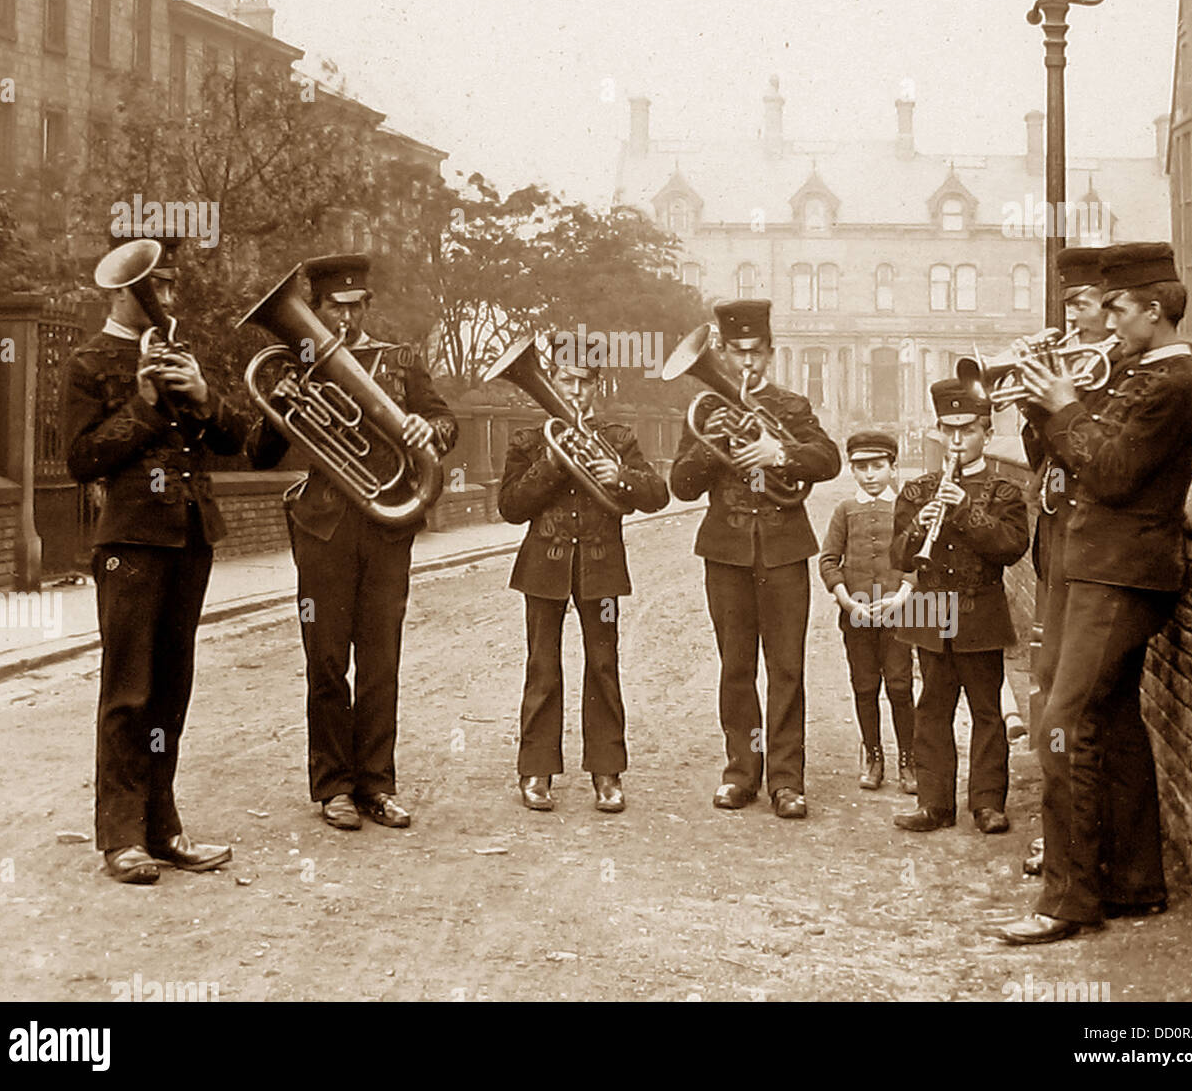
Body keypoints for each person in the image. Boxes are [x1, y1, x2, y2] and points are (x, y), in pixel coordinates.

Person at [999, 242, 1192, 944]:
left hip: (1124, 573)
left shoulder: (1170, 383)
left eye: (1118, 307)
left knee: (1060, 725)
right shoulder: (1135, 373)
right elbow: (1074, 456)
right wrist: (1046, 410)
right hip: (1101, 567)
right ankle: (1132, 882)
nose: (1108, 320)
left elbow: (1114, 473)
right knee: (1112, 724)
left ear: (1155, 309)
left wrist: (1064, 407)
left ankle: (1068, 899)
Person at [247, 254, 457, 832]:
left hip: (387, 527)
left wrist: (427, 430)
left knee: (381, 660)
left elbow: (445, 421)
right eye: (333, 306)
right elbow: (259, 455)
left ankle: (377, 784)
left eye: (354, 305)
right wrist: (283, 406)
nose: (344, 316)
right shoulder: (295, 364)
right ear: (314, 310)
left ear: (367, 306)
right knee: (327, 660)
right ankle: (333, 786)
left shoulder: (398, 361)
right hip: (323, 528)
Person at [64, 236, 247, 884]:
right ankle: (121, 836)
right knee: (129, 691)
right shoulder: (89, 361)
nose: (166, 297)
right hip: (132, 541)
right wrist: (142, 405)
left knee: (172, 691)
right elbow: (81, 458)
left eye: (169, 285)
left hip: (190, 533)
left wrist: (201, 394)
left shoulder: (182, 355)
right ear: (121, 289)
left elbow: (237, 439)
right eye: (155, 285)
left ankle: (163, 826)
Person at [669, 299, 841, 819]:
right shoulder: (703, 410)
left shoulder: (791, 407)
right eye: (737, 353)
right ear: (720, 353)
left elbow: (829, 460)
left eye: (756, 353)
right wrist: (713, 441)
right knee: (736, 668)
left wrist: (779, 454)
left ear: (770, 353)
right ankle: (741, 772)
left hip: (785, 550)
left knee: (786, 667)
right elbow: (680, 484)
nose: (747, 364)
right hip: (726, 553)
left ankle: (787, 781)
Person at [496, 342, 668, 812]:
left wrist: (619, 476)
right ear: (552, 381)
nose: (574, 391)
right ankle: (536, 771)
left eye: (583, 381)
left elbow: (657, 494)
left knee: (603, 666)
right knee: (542, 667)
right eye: (565, 380)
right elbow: (510, 507)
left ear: (596, 386)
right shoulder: (531, 440)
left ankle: (607, 773)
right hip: (543, 564)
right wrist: (552, 464)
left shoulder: (619, 438)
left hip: (601, 564)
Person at [891, 379, 1029, 836]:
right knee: (931, 708)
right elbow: (899, 558)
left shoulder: (1005, 491)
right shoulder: (916, 490)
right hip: (928, 610)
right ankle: (934, 804)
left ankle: (987, 803)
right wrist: (919, 524)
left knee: (987, 710)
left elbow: (1010, 547)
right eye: (948, 430)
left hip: (979, 609)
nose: (955, 440)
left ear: (986, 433)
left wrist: (966, 507)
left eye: (966, 430)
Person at [1018, 244, 1116, 876]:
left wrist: (1065, 402)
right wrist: (1035, 407)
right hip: (1058, 539)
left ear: (1110, 309)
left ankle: (1075, 846)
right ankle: (1056, 831)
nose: (1072, 321)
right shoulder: (1078, 368)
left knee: (1072, 707)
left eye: (1081, 306)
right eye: (1069, 305)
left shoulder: (1112, 375)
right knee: (1050, 685)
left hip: (1094, 548)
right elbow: (1044, 460)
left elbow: (1102, 462)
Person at [818, 430, 917, 793]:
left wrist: (903, 595)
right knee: (864, 685)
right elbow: (829, 559)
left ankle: (909, 760)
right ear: (852, 470)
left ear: (894, 467)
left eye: (878, 466)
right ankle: (873, 757)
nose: (870, 475)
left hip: (899, 612)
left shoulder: (907, 508)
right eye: (861, 467)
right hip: (856, 614)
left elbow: (921, 558)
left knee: (900, 685)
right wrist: (845, 598)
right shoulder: (845, 510)